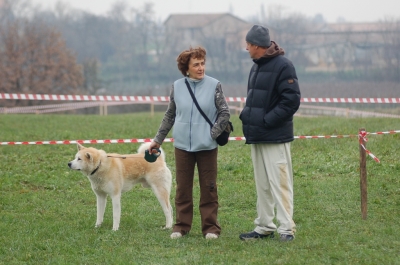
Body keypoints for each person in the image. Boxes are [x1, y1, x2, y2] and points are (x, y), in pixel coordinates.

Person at [149, 46, 230, 239]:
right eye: (196, 64)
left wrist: (212, 134)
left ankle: (210, 228)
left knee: (209, 187)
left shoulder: (214, 85)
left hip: (207, 147)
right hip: (182, 146)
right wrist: (157, 140)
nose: (201, 68)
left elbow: (224, 113)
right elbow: (170, 115)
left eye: (202, 63)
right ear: (186, 68)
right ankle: (181, 226)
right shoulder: (177, 86)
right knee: (183, 188)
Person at [239, 25, 301, 242]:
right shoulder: (256, 67)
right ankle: (264, 226)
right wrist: (247, 116)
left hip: (275, 136)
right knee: (263, 184)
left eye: (247, 44)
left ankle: (286, 229)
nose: (246, 48)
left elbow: (291, 101)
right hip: (257, 136)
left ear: (256, 45)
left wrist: (267, 121)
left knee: (280, 183)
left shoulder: (284, 66)